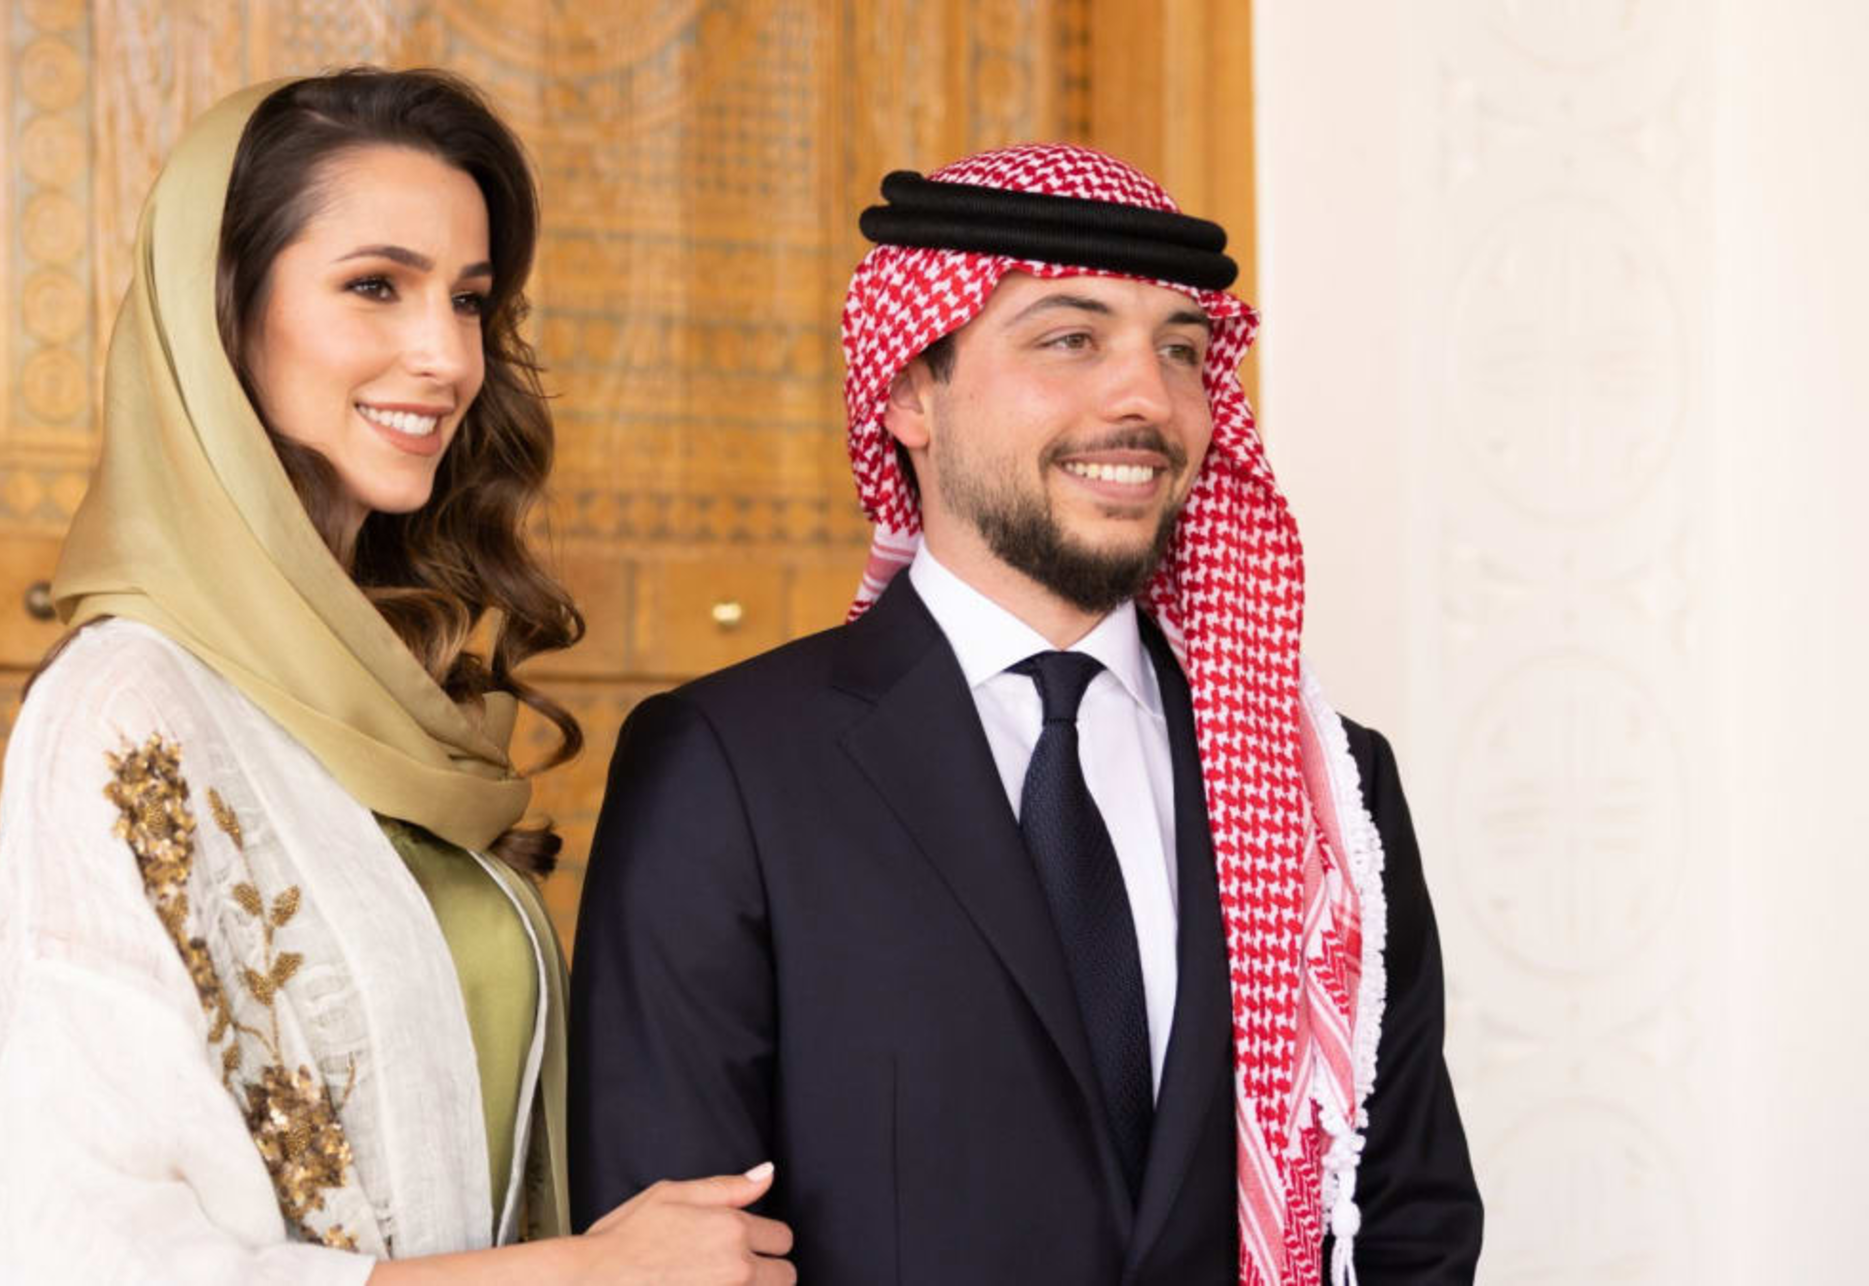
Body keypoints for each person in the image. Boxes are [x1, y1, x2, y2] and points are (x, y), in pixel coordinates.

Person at [569, 147, 1483, 1284]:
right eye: (1069, 339)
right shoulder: (729, 767)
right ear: (911, 392)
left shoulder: (1324, 784)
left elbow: (1406, 1218)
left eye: (1181, 350)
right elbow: (669, 1253)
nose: (1146, 398)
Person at [0, 69, 793, 1284]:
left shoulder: (400, 688)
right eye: (376, 285)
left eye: (468, 300)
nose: (446, 356)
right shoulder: (128, 708)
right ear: (222, 312)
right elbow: (96, 1256)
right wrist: (581, 1274)